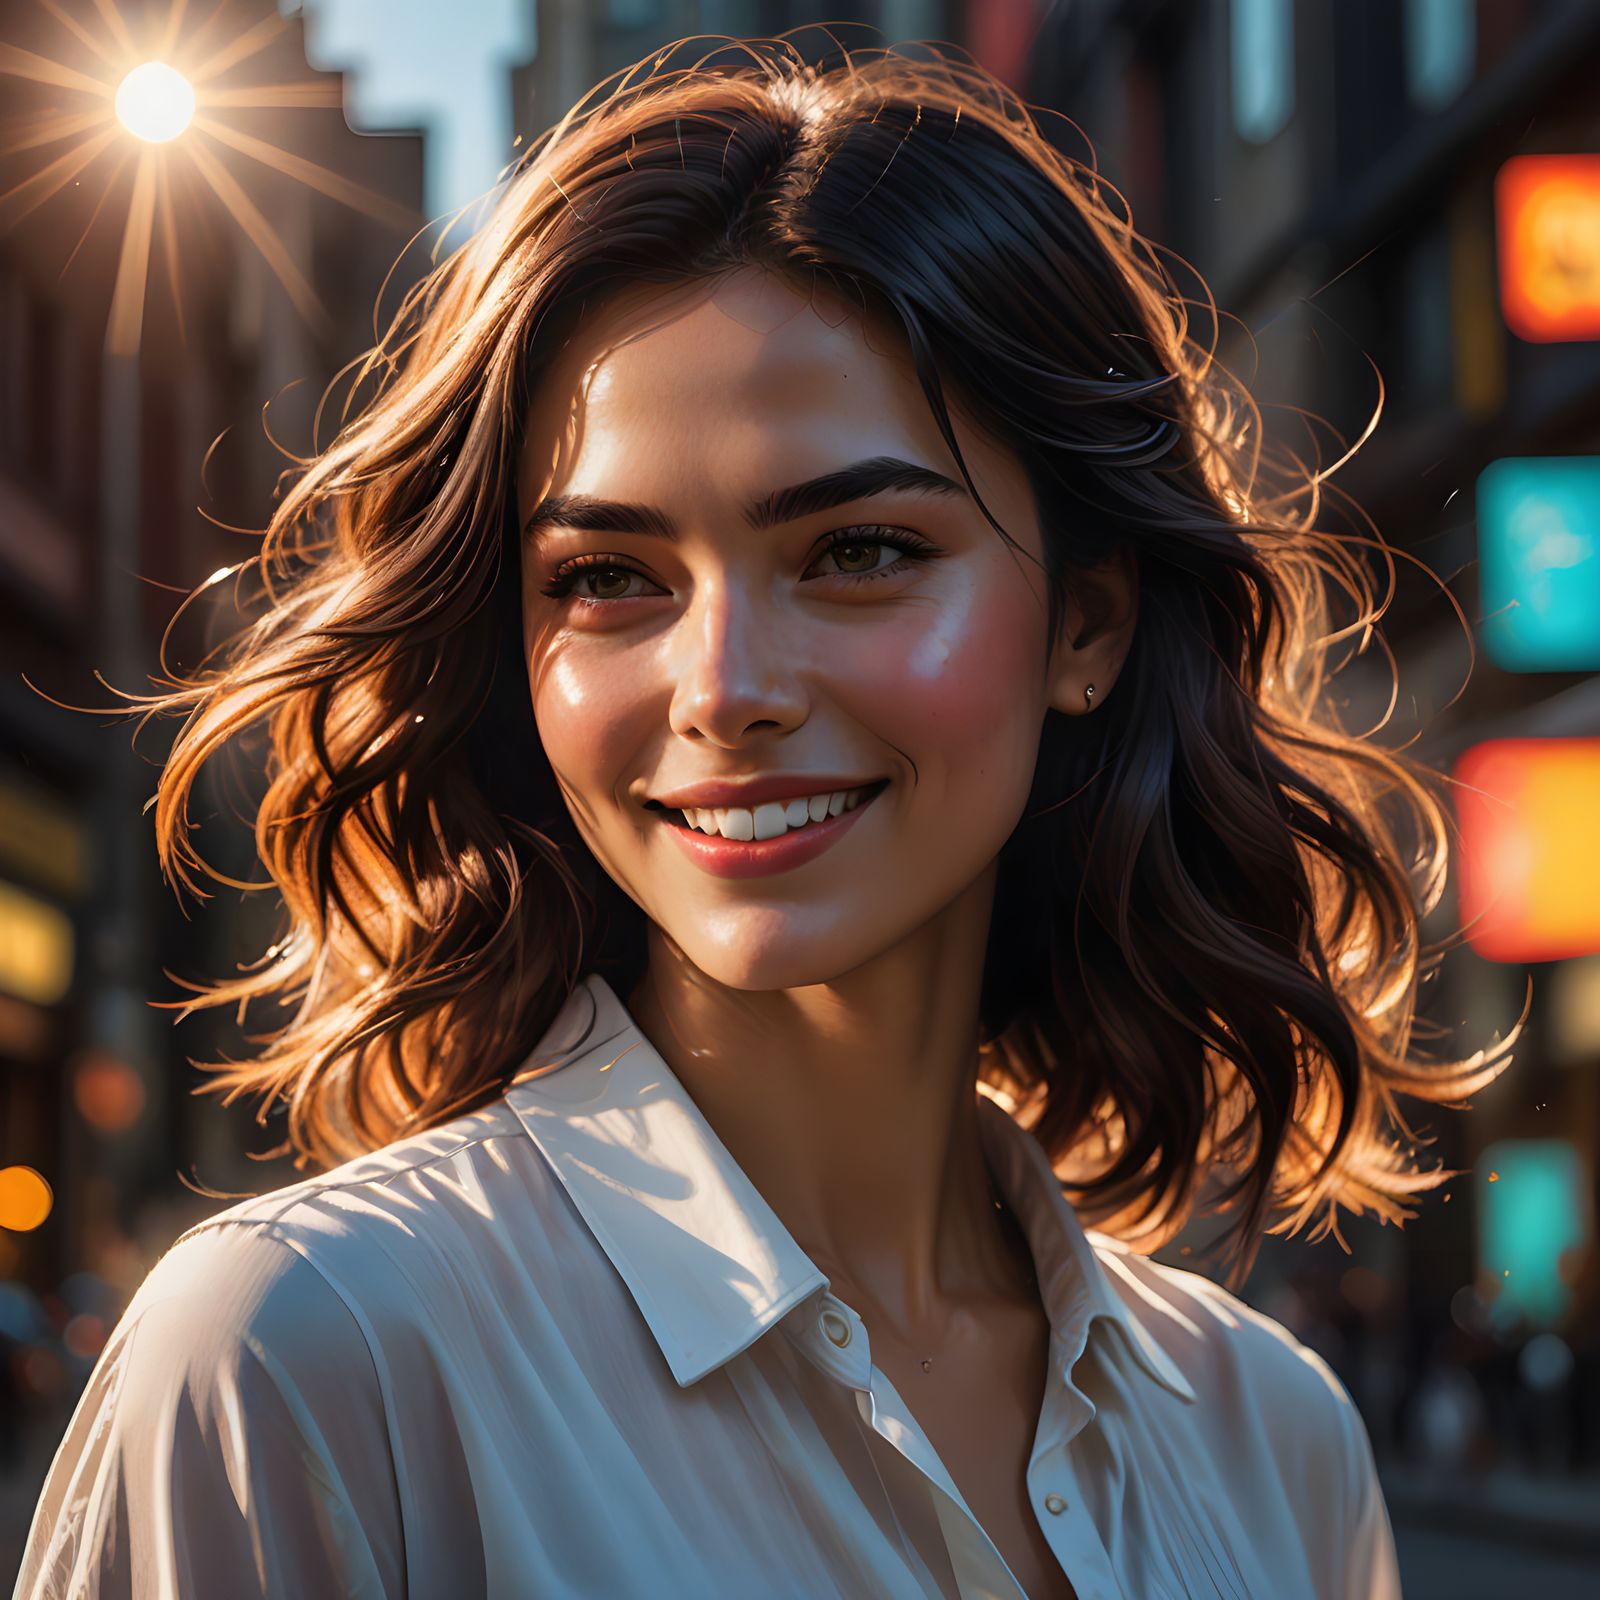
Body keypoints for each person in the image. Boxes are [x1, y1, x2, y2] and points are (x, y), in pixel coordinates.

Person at [15, 35, 1508, 1600]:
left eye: (858, 551)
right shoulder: (308, 1364)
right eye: (606, 578)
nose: (722, 687)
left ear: (1089, 623)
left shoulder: (1276, 1443)